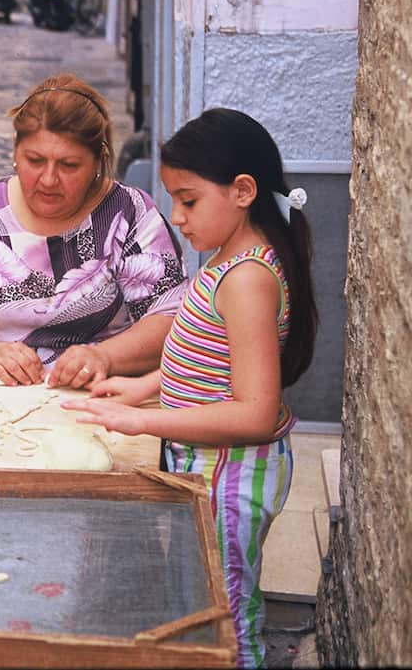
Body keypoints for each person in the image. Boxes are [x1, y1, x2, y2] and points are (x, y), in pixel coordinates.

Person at [62, 108, 318, 668]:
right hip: (205, 469)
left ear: (243, 190)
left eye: (189, 200)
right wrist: (140, 388)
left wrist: (144, 420)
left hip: (229, 475)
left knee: (224, 613)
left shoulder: (248, 278)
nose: (177, 216)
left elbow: (254, 412)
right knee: (202, 592)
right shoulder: (225, 261)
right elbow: (206, 359)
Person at [0, 73, 187, 387]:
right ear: (16, 149)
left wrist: (104, 357)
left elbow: (169, 319)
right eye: (35, 160)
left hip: (100, 397)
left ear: (98, 161)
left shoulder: (130, 213)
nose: (49, 179)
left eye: (69, 165)